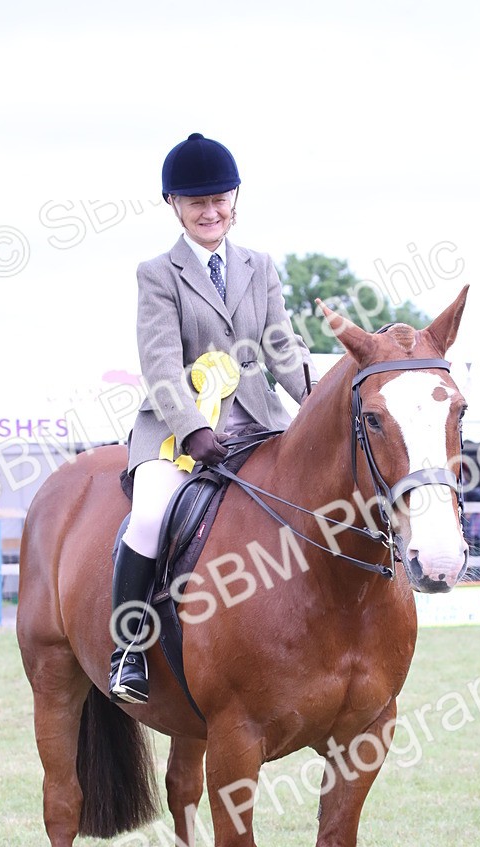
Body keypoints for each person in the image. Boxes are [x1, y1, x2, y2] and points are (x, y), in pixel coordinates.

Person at [109, 132, 317, 703]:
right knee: (150, 515)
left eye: (219, 198)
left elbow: (283, 346)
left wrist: (318, 404)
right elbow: (158, 360)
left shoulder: (260, 265)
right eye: (196, 202)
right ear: (173, 205)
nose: (210, 211)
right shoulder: (158, 273)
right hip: (179, 433)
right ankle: (127, 649)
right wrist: (192, 427)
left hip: (258, 419)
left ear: (235, 198)